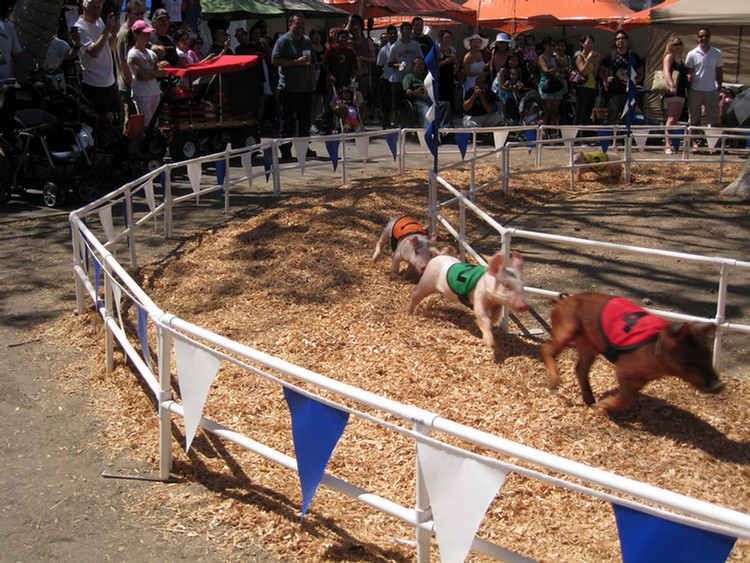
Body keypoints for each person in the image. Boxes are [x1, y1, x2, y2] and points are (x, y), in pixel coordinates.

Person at [271, 13, 316, 160]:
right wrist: (296, 61)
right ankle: (285, 151)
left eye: (302, 23)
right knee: (287, 121)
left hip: (305, 88)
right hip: (288, 88)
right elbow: (275, 60)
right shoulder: (283, 41)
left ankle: (303, 148)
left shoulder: (307, 41)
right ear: (290, 25)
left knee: (304, 122)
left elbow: (313, 63)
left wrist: (313, 80)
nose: (300, 26)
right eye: (297, 23)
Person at [75, 0, 120, 123]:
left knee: (110, 119)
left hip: (108, 81)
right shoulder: (80, 27)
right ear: (84, 7)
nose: (96, 11)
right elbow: (93, 52)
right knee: (96, 122)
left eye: (98, 7)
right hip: (93, 82)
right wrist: (106, 30)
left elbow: (111, 48)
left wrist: (114, 34)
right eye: (93, 7)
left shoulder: (100, 22)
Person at [127, 19, 167, 126]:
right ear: (136, 34)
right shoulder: (133, 53)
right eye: (144, 34)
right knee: (146, 125)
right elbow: (142, 76)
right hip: (142, 93)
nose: (148, 36)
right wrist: (154, 72)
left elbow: (162, 72)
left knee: (155, 124)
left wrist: (150, 72)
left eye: (148, 34)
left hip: (154, 92)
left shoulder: (151, 53)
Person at [599, 30, 643, 126]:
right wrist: (606, 79)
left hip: (628, 92)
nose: (620, 41)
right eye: (618, 39)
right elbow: (601, 70)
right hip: (614, 92)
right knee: (612, 118)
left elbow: (640, 72)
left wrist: (635, 81)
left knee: (627, 119)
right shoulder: (610, 55)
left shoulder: (633, 56)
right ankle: (612, 140)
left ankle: (625, 140)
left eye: (623, 38)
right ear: (615, 42)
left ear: (627, 41)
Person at [685, 27, 723, 137]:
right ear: (698, 38)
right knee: (694, 119)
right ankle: (694, 143)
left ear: (709, 37)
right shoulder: (692, 54)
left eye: (706, 36)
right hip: (696, 89)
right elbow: (689, 72)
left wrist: (719, 88)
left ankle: (714, 144)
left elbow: (719, 71)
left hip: (711, 89)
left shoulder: (717, 53)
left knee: (714, 119)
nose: (704, 38)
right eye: (701, 36)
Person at [115, 0, 145, 133]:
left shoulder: (134, 32)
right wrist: (133, 84)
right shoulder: (124, 33)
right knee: (129, 121)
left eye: (142, 13)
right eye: (136, 14)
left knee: (136, 121)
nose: (140, 17)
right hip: (127, 87)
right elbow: (123, 63)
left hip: (136, 86)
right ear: (127, 14)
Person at [321, 28, 358, 134]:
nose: (343, 39)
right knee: (330, 104)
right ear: (338, 38)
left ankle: (346, 125)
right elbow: (324, 63)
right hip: (333, 81)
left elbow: (353, 64)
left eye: (345, 38)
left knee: (346, 104)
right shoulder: (331, 49)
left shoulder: (349, 50)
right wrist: (330, 75)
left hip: (345, 81)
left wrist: (352, 74)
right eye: (341, 37)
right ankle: (326, 127)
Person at [402, 56, 452, 131]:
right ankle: (428, 132)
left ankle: (446, 130)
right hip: (418, 99)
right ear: (413, 66)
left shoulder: (427, 76)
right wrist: (421, 95)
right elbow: (407, 91)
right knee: (426, 109)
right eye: (419, 64)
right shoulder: (409, 77)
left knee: (445, 104)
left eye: (422, 65)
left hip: (430, 98)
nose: (421, 67)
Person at [387, 22, 422, 122]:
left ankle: (408, 122)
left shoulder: (415, 45)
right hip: (397, 79)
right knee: (396, 103)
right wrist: (398, 65)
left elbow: (420, 58)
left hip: (411, 77)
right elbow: (389, 63)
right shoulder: (395, 46)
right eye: (405, 29)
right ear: (401, 31)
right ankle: (395, 122)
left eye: (409, 29)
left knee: (409, 103)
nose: (407, 32)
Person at [662, 35, 689, 154]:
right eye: (675, 44)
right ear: (670, 46)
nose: (678, 47)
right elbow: (666, 71)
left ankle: (673, 142)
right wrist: (671, 84)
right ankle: (667, 144)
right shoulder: (669, 57)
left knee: (676, 118)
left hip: (682, 90)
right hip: (673, 91)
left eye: (679, 44)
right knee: (671, 118)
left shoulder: (681, 59)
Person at [572, 34, 601, 128]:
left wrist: (596, 62)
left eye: (592, 43)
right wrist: (588, 59)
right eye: (588, 42)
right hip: (582, 88)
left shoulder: (593, 57)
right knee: (579, 114)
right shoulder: (579, 57)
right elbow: (583, 71)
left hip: (592, 88)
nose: (590, 45)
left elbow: (595, 74)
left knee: (588, 114)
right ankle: (574, 136)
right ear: (582, 44)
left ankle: (586, 136)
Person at [538, 36, 566, 127]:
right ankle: (544, 130)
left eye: (554, 45)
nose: (552, 47)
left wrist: (560, 60)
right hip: (546, 85)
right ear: (545, 46)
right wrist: (557, 69)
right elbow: (546, 71)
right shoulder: (541, 58)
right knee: (547, 111)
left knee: (554, 111)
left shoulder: (555, 57)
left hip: (556, 85)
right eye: (550, 45)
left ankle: (553, 130)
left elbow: (565, 66)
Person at [376, 25, 397, 128]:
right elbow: (379, 64)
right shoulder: (384, 50)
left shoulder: (399, 46)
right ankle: (386, 122)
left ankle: (396, 121)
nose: (393, 35)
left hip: (398, 78)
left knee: (395, 103)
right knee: (386, 102)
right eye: (390, 33)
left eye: (394, 33)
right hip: (387, 78)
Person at [0, 2, 24, 81]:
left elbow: (18, 58)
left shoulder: (8, 29)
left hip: (4, 84)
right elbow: (18, 58)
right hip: (5, 84)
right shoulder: (8, 28)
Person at [436, 29, 458, 114]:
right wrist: (445, 62)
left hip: (450, 79)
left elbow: (456, 63)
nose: (448, 40)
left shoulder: (451, 50)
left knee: (450, 100)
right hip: (441, 79)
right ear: (441, 39)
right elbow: (434, 65)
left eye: (449, 38)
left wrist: (455, 67)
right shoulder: (437, 50)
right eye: (445, 38)